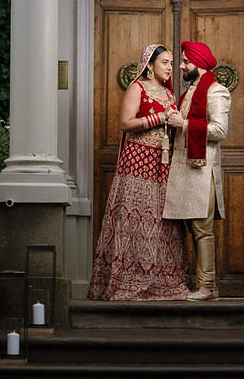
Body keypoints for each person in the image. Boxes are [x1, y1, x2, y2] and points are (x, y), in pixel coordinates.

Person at [86, 43, 192, 301]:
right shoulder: (137, 88)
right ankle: (127, 282)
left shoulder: (168, 94)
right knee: (136, 218)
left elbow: (173, 122)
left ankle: (163, 283)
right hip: (138, 162)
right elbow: (125, 123)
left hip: (164, 164)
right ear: (150, 65)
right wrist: (160, 118)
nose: (169, 68)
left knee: (163, 222)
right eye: (164, 62)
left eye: (171, 63)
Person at [163, 40, 231, 301]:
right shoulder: (191, 90)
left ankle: (207, 287)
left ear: (199, 65)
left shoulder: (215, 91)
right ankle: (198, 284)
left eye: (185, 62)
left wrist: (184, 123)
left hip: (201, 172)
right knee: (191, 230)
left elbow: (220, 130)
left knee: (202, 231)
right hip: (185, 171)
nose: (181, 66)